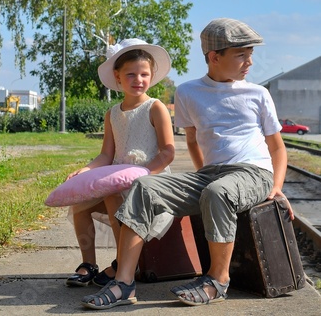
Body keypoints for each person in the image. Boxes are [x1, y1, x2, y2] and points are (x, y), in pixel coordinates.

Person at [81, 17, 294, 309]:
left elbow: (277, 148)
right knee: (145, 186)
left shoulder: (258, 94)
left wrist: (277, 186)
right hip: (210, 174)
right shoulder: (188, 92)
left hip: (252, 172)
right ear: (214, 57)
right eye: (242, 55)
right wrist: (203, 173)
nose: (250, 62)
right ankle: (124, 283)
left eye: (251, 55)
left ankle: (218, 280)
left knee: (219, 192)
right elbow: (192, 141)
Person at [66, 38, 175, 287]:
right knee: (80, 203)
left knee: (112, 195)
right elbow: (106, 155)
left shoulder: (155, 108)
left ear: (152, 75)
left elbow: (168, 152)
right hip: (118, 179)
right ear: (118, 76)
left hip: (149, 180)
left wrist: (144, 172)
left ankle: (123, 262)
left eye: (144, 74)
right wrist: (85, 170)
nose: (138, 79)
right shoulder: (112, 113)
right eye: (131, 74)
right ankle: (89, 264)